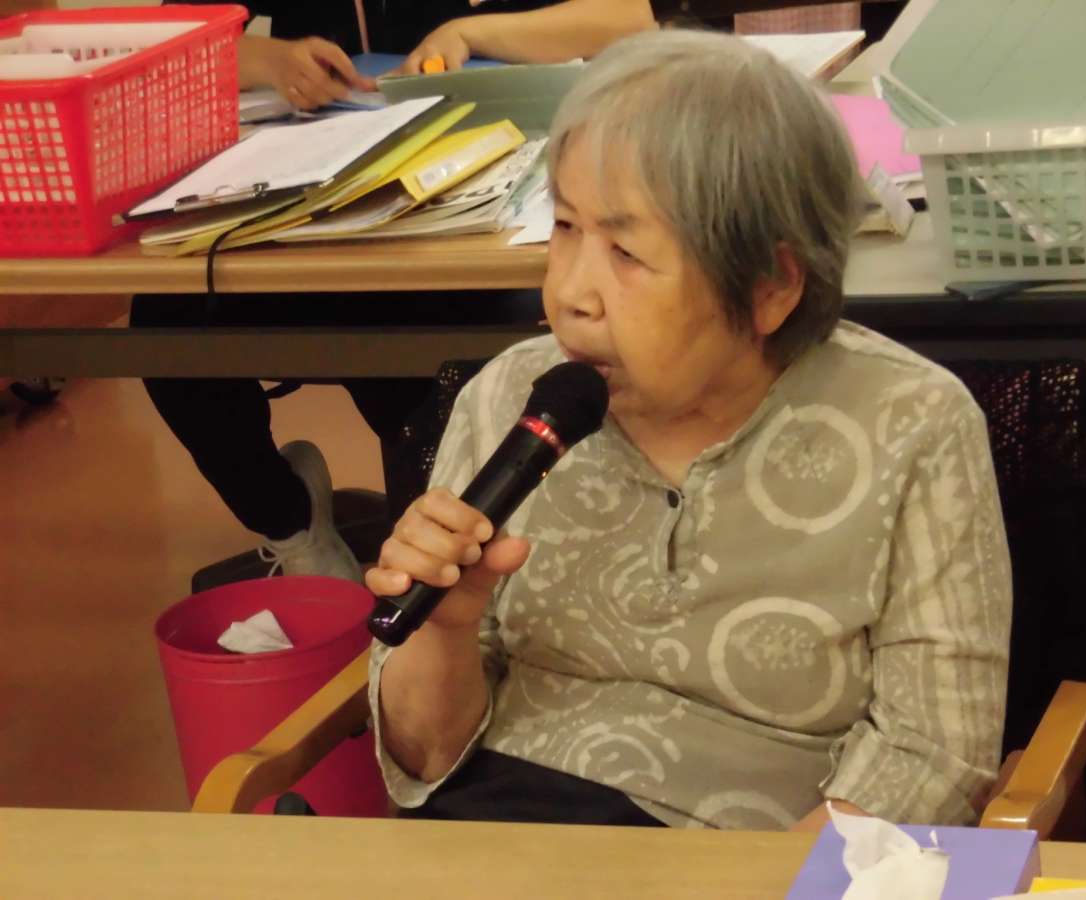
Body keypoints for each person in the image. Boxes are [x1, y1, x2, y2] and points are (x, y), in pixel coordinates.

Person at [366, 29, 1013, 830]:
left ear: (770, 287)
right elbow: (426, 759)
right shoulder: (508, 395)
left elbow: (932, 754)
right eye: (564, 227)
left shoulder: (913, 422)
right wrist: (445, 630)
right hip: (504, 834)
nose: (569, 296)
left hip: (752, 851)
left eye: (626, 253)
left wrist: (782, 880)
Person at [134, 0, 656, 584]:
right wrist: (267, 59)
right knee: (169, 326)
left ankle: (471, 541)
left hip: (478, 225)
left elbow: (630, 19)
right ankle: (291, 525)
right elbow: (158, 48)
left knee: (475, 351)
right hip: (323, 219)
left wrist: (469, 31)